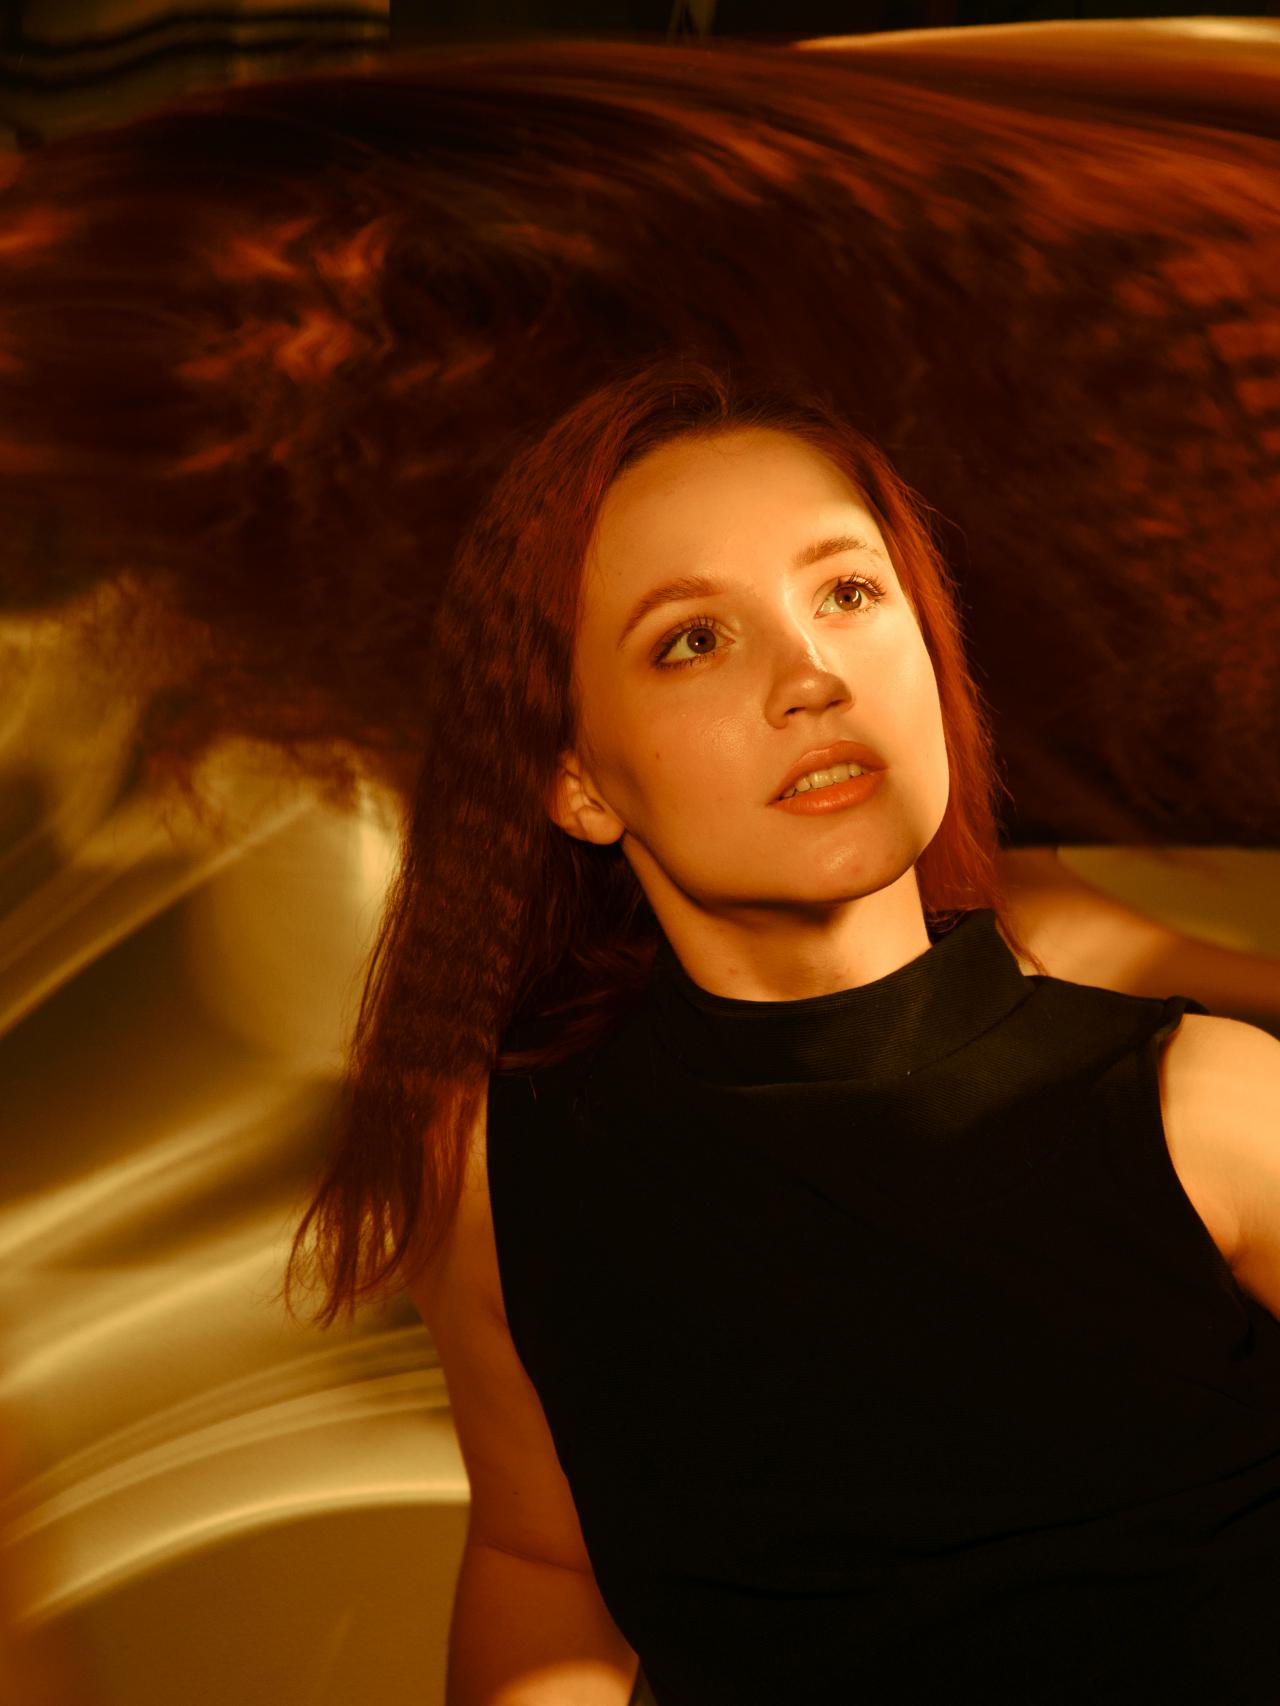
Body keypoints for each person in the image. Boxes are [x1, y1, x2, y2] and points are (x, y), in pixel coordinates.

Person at [286, 356, 1280, 1704]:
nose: (812, 675)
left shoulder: (1212, 1112)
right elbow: (545, 1564)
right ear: (574, 780)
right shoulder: (495, 1165)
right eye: (693, 638)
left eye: (848, 593)